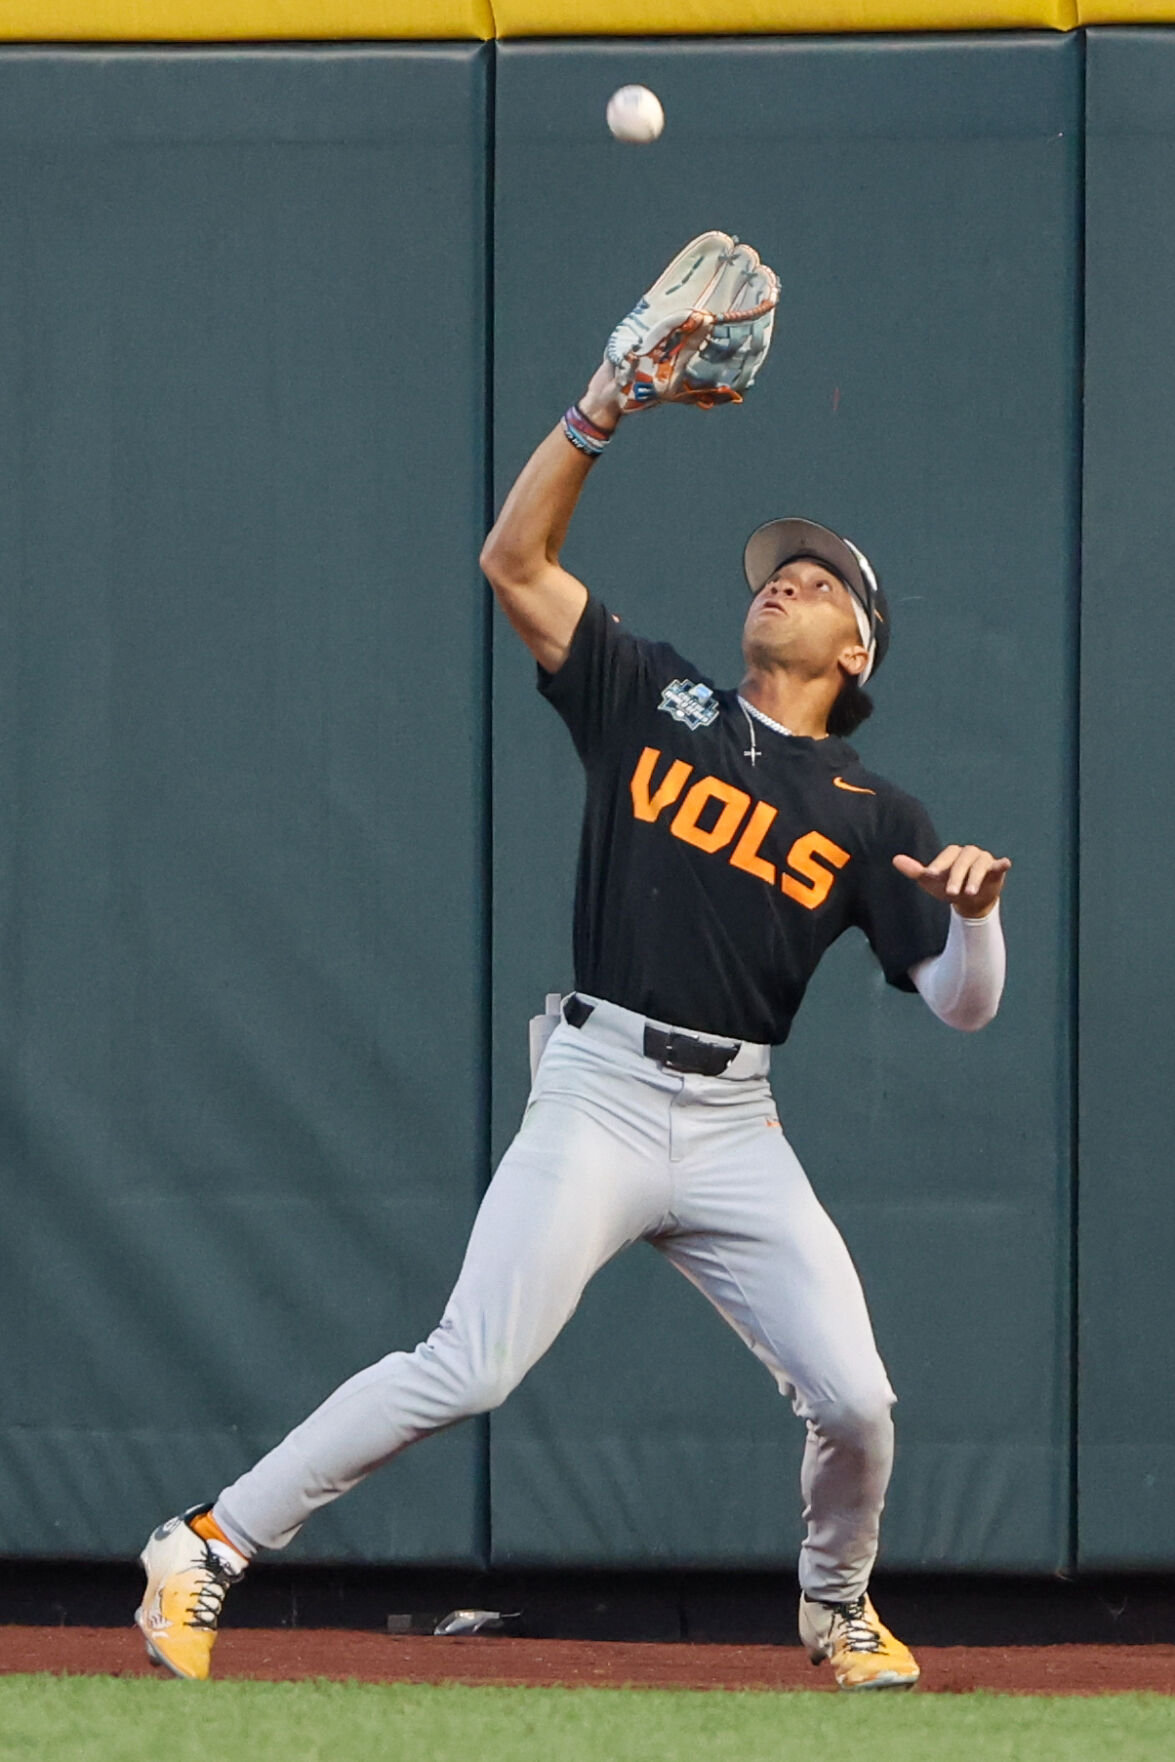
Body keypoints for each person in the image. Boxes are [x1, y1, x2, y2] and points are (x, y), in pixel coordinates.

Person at [135, 355, 1009, 1691]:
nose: (785, 578)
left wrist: (977, 916)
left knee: (858, 1403)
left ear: (857, 649)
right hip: (599, 1089)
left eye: (820, 579)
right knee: (470, 1362)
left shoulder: (874, 812)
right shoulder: (653, 694)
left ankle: (836, 1607)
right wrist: (600, 407)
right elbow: (513, 557)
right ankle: (204, 1544)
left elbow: (958, 1004)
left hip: (734, 1123)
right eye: (778, 568)